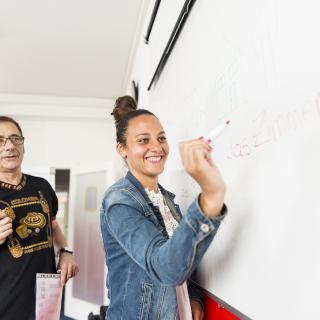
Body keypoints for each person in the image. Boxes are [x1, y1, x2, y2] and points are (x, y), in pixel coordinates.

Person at [100, 96, 227, 320]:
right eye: (143, 140)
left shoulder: (166, 199)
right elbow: (165, 268)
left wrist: (194, 295)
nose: (157, 146)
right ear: (122, 149)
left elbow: (183, 252)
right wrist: (210, 195)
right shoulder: (119, 201)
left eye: (161, 138)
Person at [0, 116, 79, 320]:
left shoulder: (41, 186)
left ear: (23, 146)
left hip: (46, 301)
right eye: (0, 140)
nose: (9, 145)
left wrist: (66, 252)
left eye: (15, 138)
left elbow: (53, 227)